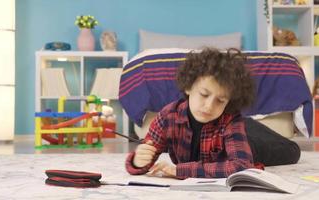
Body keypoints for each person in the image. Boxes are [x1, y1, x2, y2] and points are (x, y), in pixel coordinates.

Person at [125, 48, 300, 179]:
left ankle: (248, 126)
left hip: (247, 141)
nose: (209, 106)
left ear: (229, 101)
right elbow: (145, 157)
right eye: (204, 94)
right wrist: (138, 161)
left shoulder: (231, 119)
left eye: (220, 100)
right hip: (230, 130)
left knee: (293, 152)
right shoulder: (167, 116)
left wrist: (180, 170)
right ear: (188, 86)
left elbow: (241, 167)